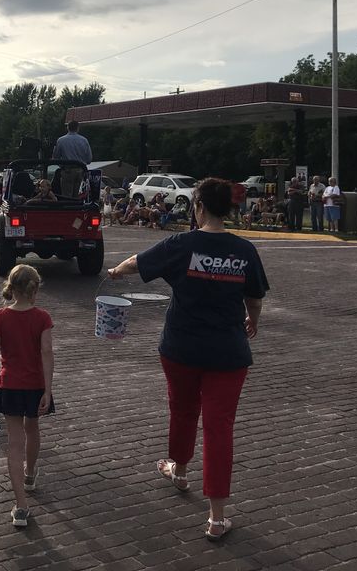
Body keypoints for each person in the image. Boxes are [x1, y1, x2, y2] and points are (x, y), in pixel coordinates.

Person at [107, 177, 268, 542]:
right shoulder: (244, 250)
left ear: (199, 207)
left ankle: (179, 471)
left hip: (181, 348)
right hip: (228, 352)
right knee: (219, 428)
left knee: (182, 410)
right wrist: (252, 321)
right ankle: (216, 518)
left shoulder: (182, 244)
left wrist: (115, 272)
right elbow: (255, 297)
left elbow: (137, 263)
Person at [0, 264, 54, 528]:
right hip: (35, 385)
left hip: (9, 385)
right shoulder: (42, 317)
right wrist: (48, 389)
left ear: (11, 287)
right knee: (33, 429)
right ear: (35, 289)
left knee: (15, 443)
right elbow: (46, 353)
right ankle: (30, 474)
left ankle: (21, 506)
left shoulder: (0, 316)